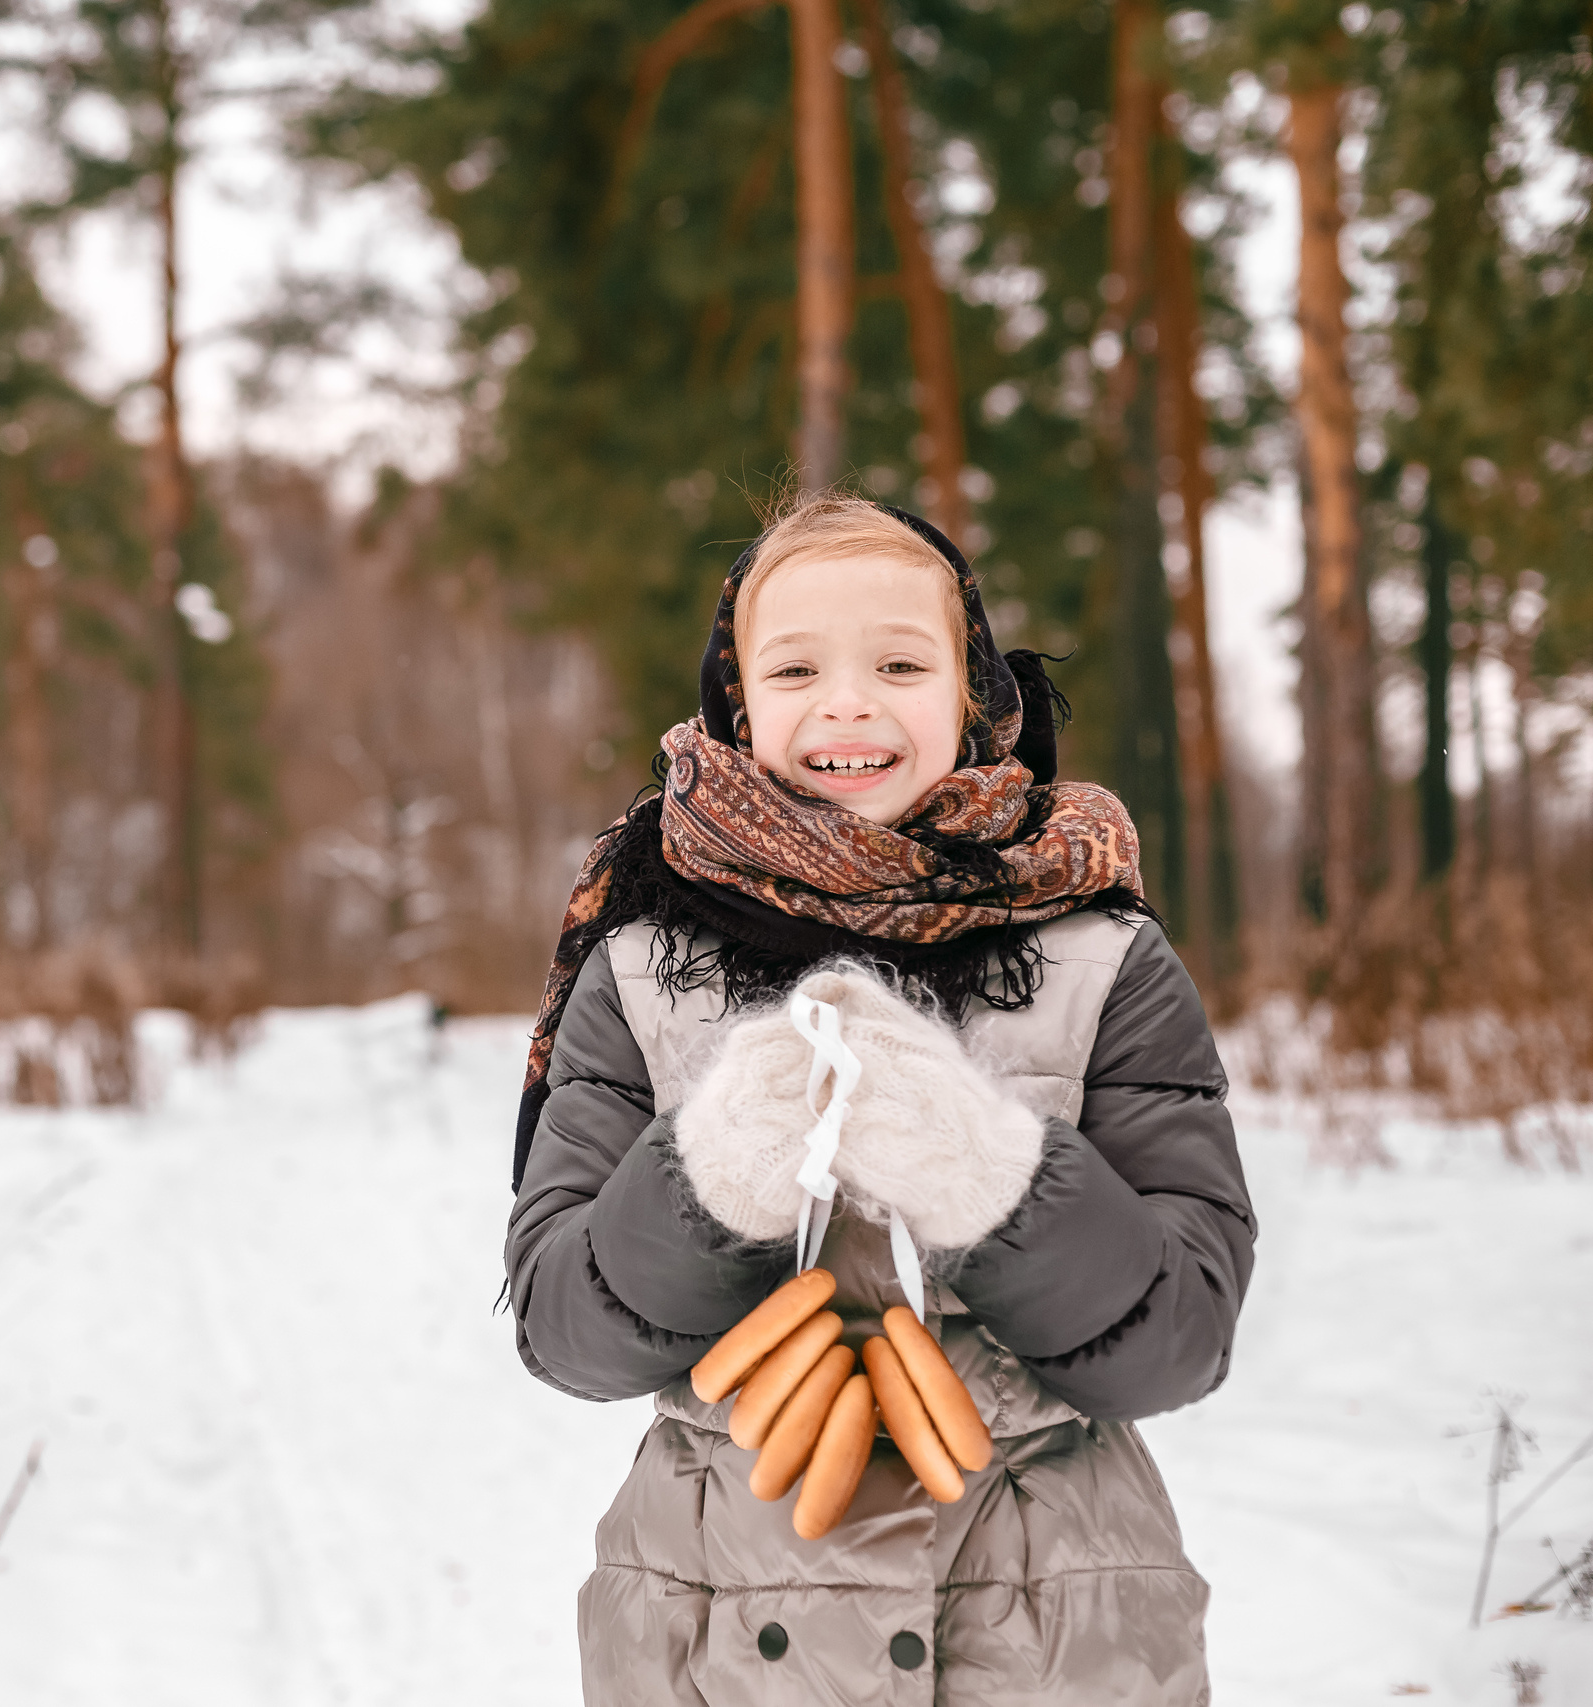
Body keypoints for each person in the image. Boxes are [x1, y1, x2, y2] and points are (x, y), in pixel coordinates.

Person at [506, 491, 1253, 1706]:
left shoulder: (1104, 954)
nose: (847, 702)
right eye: (796, 667)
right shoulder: (638, 963)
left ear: (972, 696)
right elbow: (564, 1331)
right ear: (739, 702)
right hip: (709, 1622)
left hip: (1053, 1631)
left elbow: (1180, 1339)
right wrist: (708, 1174)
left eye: (899, 664)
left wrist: (993, 1178)